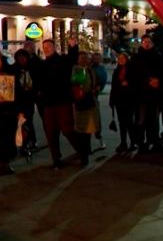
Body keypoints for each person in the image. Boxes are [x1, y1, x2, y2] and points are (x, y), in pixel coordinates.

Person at [37, 37, 83, 169]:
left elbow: (72, 58)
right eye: (44, 48)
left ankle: (81, 151)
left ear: (54, 48)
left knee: (67, 129)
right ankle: (56, 158)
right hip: (48, 104)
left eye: (49, 47)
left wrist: (73, 46)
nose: (46, 49)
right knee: (51, 133)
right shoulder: (43, 64)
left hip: (63, 102)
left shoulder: (62, 60)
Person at [129, 34, 163, 153]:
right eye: (144, 41)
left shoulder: (158, 57)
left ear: (152, 43)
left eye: (149, 41)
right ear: (142, 43)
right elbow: (133, 75)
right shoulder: (136, 58)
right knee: (141, 119)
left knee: (153, 119)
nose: (146, 43)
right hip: (140, 94)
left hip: (154, 94)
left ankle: (154, 140)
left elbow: (162, 73)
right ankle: (140, 142)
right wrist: (147, 81)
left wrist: (158, 80)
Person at [72, 51, 100, 165]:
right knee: (81, 130)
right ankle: (83, 153)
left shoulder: (90, 70)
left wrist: (96, 88)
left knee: (88, 128)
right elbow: (78, 83)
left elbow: (95, 82)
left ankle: (86, 151)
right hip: (81, 103)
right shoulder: (77, 70)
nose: (84, 60)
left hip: (90, 102)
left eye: (86, 58)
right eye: (82, 58)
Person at [109, 53, 136, 153]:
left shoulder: (131, 70)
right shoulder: (117, 71)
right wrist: (112, 101)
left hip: (129, 100)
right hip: (119, 100)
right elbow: (113, 86)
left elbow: (135, 83)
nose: (120, 60)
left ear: (126, 59)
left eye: (122, 58)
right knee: (122, 123)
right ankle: (123, 142)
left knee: (129, 122)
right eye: (119, 58)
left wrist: (128, 84)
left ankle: (133, 142)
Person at [13, 49, 38, 155]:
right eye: (20, 58)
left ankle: (30, 142)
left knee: (28, 122)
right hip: (18, 101)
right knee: (20, 123)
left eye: (24, 57)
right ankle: (22, 144)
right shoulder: (14, 70)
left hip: (28, 101)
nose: (22, 59)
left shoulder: (31, 69)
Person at [91, 53, 108, 150]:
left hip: (94, 96)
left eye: (98, 58)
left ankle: (100, 138)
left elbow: (103, 80)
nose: (96, 59)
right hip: (87, 96)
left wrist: (99, 88)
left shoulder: (101, 69)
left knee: (96, 120)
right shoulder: (89, 67)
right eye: (94, 57)